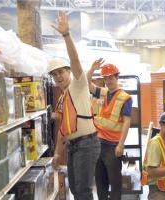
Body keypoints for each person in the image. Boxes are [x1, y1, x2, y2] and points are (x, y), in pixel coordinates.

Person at [48, 12, 100, 200]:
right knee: (76, 190)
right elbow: (62, 129)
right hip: (74, 146)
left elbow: (76, 60)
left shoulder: (78, 85)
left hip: (87, 144)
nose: (58, 77)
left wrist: (66, 35)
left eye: (61, 72)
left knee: (83, 192)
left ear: (69, 72)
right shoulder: (62, 99)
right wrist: (56, 153)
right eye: (54, 75)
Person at [87, 59, 133, 200]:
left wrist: (121, 144)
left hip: (113, 146)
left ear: (117, 77)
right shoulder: (103, 92)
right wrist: (92, 69)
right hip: (98, 143)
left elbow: (127, 122)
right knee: (100, 183)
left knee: (115, 183)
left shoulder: (125, 98)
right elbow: (86, 83)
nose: (108, 81)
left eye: (111, 77)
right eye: (106, 78)